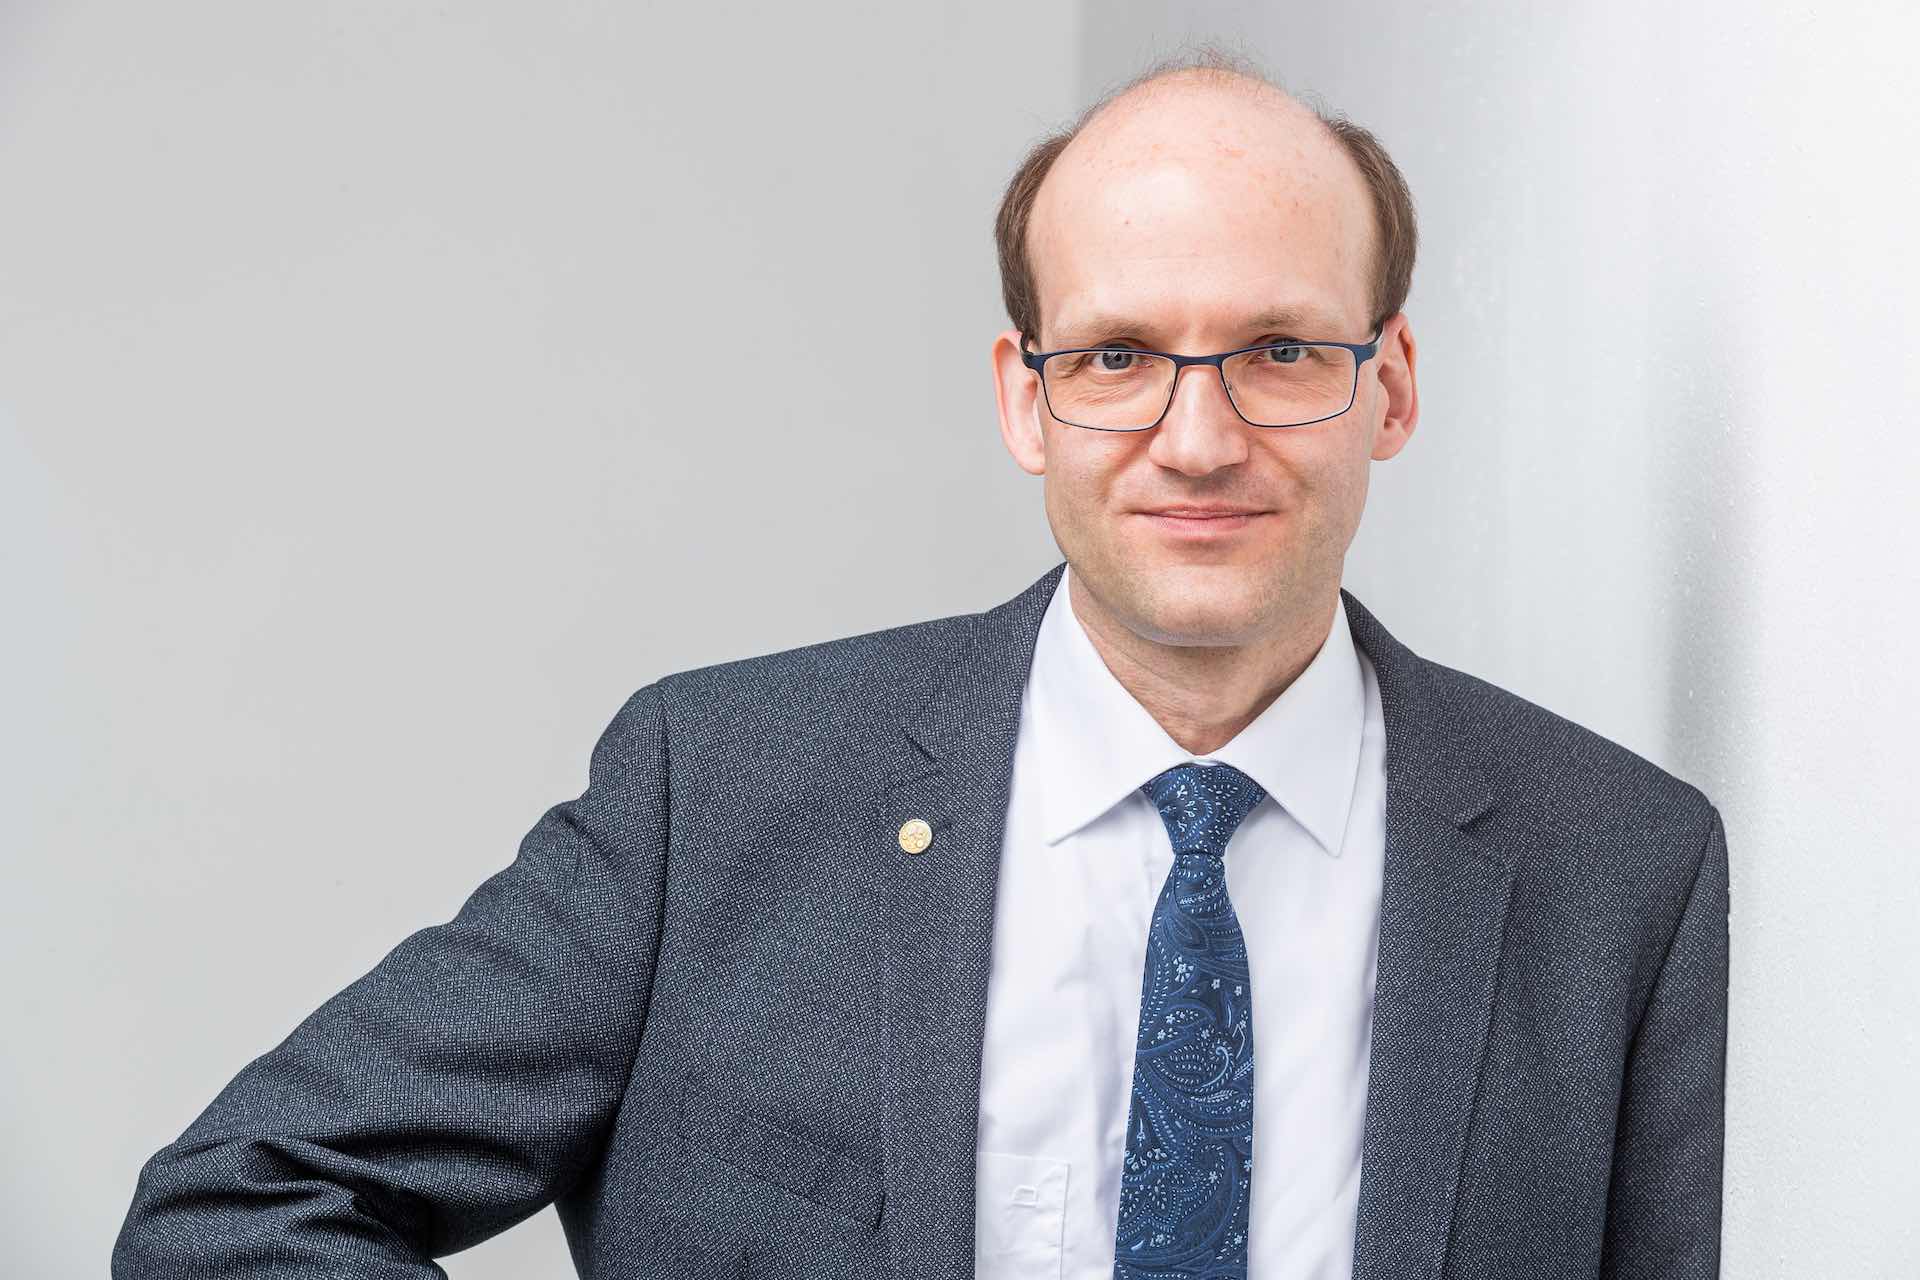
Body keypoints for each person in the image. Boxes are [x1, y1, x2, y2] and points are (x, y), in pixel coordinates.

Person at [113, 50, 1728, 1280]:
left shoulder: (1623, 870)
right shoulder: (714, 789)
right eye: (1118, 356)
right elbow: (241, 1203)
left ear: (1393, 388)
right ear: (1026, 398)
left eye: (1282, 350)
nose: (1198, 438)